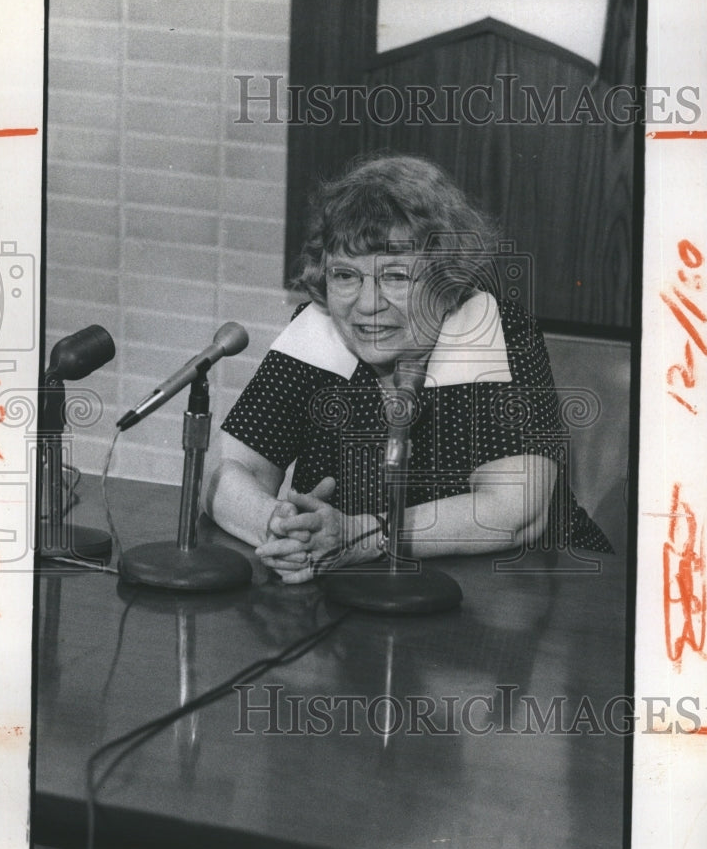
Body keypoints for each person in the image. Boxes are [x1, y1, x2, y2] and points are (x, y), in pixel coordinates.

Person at [207, 153, 612, 583]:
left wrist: (362, 538)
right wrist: (280, 528)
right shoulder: (318, 328)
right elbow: (226, 472)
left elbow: (512, 512)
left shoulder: (499, 332)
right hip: (367, 593)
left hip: (535, 596)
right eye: (346, 276)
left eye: (396, 277)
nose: (367, 304)